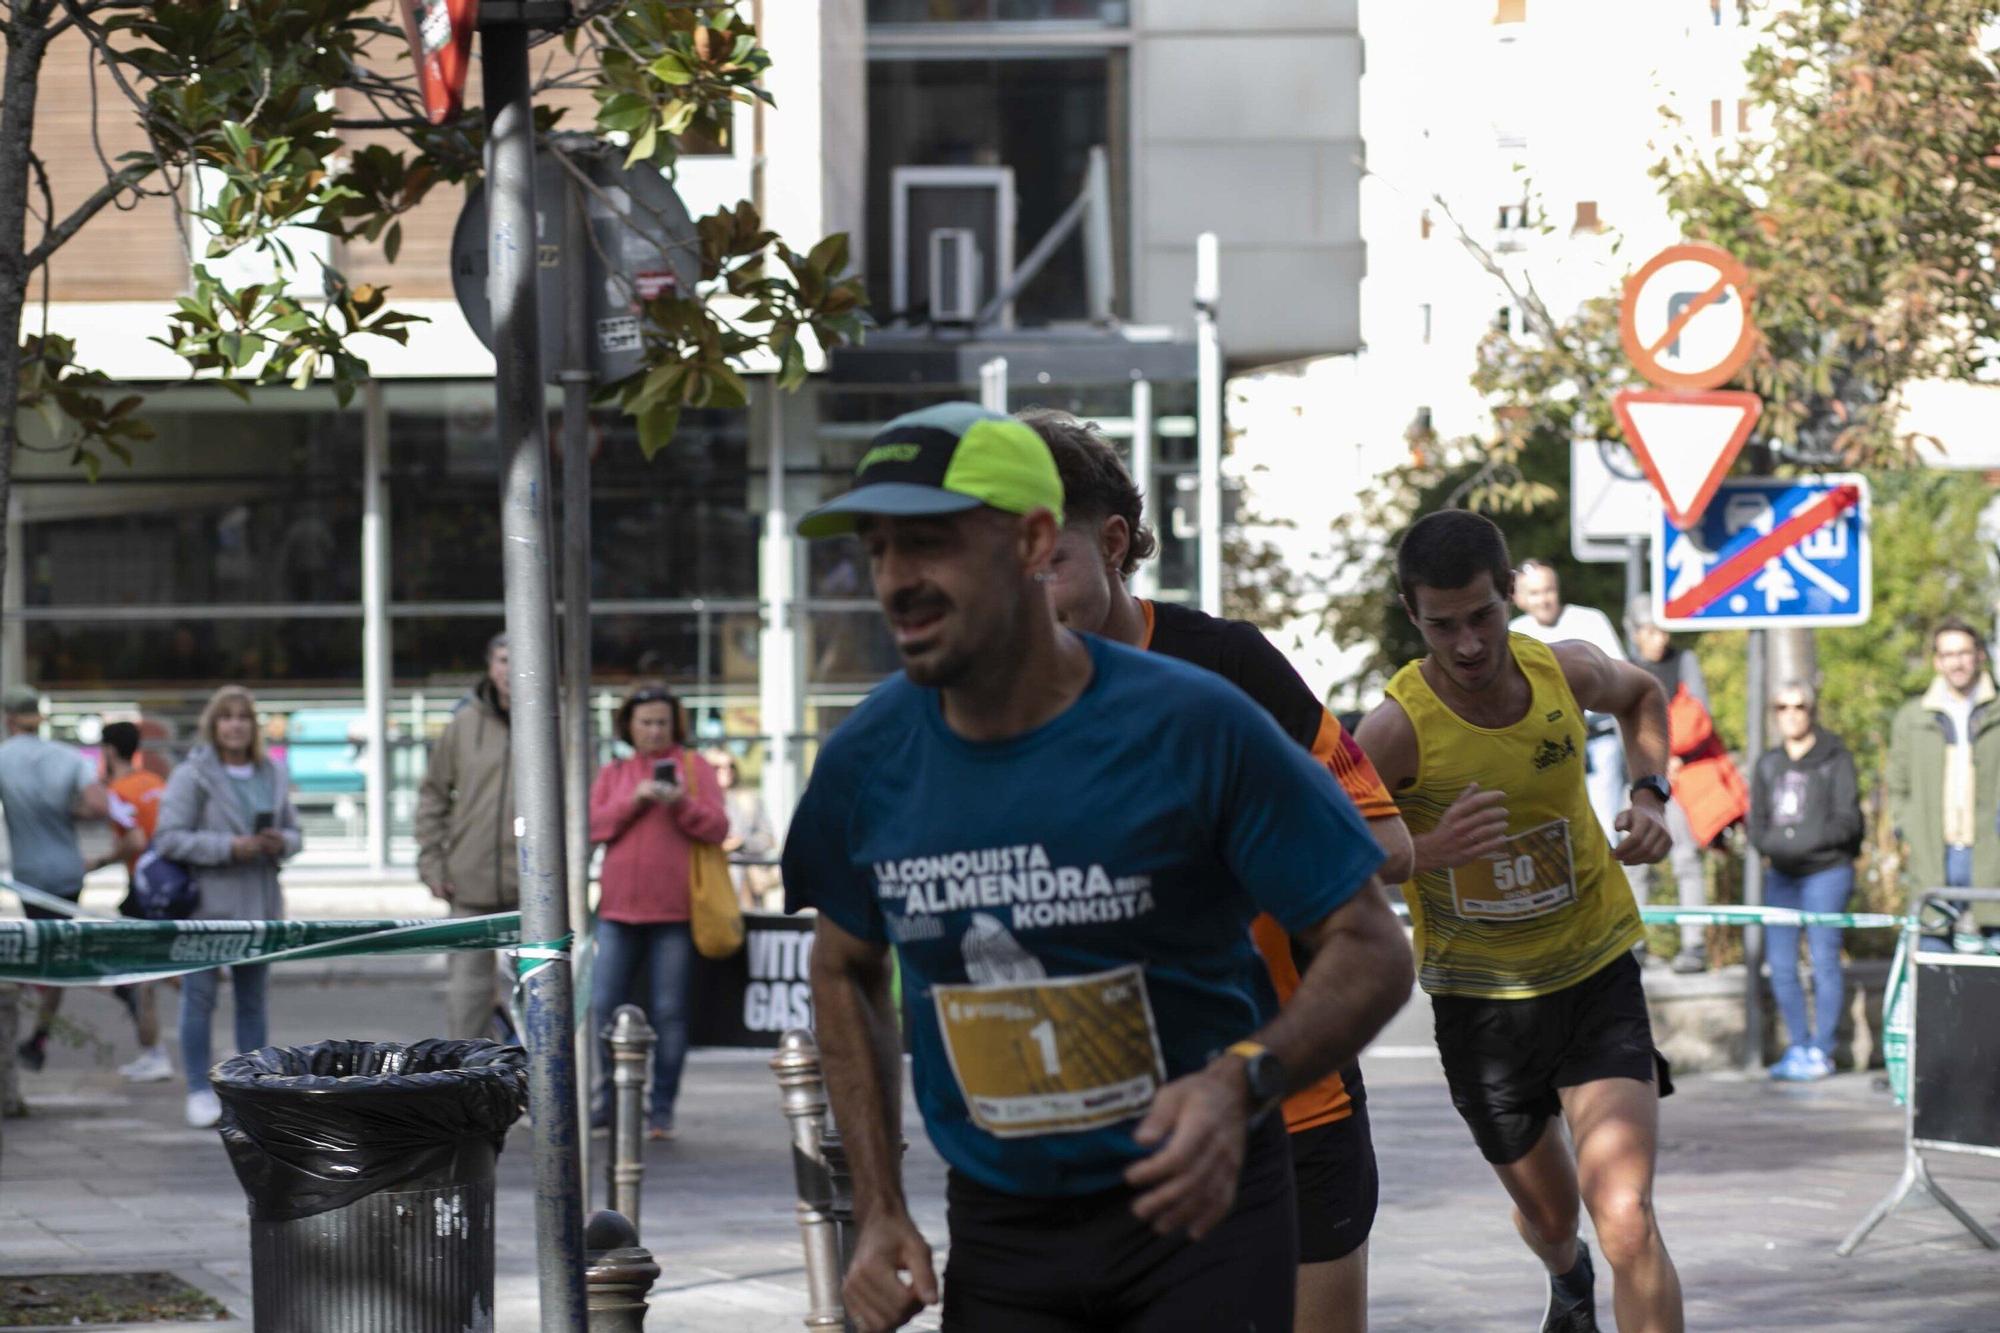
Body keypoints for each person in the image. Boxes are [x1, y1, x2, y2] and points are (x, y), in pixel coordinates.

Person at [782, 404, 1413, 1333]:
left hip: (1200, 1211)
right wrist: (878, 1206)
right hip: (1002, 1224)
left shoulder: (1196, 721)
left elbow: (1372, 944)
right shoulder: (866, 759)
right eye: (878, 550)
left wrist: (1239, 1080)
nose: (896, 581)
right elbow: (842, 966)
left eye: (930, 543)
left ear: (1033, 541)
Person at [1027, 407, 1412, 1333]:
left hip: (1289, 1097)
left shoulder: (1226, 664)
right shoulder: (1002, 694)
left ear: (1112, 543)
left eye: (1048, 565)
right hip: (1106, 1130)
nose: (1026, 598)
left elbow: (1387, 845)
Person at [1354, 510, 1681, 1333]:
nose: (1468, 644)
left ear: (1509, 592)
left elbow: (1643, 693)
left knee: (1626, 1215)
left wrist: (1650, 795)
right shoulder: (1395, 730)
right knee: (1553, 1216)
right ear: (1412, 612)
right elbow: (1325, 843)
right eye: (1443, 625)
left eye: (1483, 616)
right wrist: (1426, 849)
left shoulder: (1564, 670)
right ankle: (1566, 1273)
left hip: (1594, 971)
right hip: (1482, 1007)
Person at [154, 685, 301, 1129]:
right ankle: (199, 1089)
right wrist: (229, 847)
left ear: (254, 726)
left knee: (253, 1000)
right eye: (226, 716)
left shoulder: (272, 772)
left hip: (260, 903)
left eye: (243, 717)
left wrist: (279, 842)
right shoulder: (193, 775)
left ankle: (250, 1091)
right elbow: (168, 838)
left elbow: (295, 832)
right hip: (207, 906)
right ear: (213, 724)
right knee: (198, 998)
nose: (235, 725)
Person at [588, 684, 729, 1140]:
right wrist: (635, 799)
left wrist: (679, 802)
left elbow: (718, 827)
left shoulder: (696, 768)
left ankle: (661, 1109)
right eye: (645, 722)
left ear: (675, 726)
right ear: (629, 726)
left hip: (676, 914)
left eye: (662, 723)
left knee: (670, 1013)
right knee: (603, 1007)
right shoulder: (614, 771)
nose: (653, 731)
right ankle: (610, 1102)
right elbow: (592, 827)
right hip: (616, 913)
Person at [1623, 597, 1746, 974]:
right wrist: (1651, 763)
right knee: (1634, 859)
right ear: (1635, 633)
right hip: (1640, 776)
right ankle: (1635, 943)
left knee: (1686, 858)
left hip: (1682, 777)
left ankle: (1693, 944)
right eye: (1649, 631)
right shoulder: (1626, 668)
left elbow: (1700, 719)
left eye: (1662, 630)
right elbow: (1621, 724)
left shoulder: (1684, 662)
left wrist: (1672, 756)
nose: (1658, 639)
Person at [1748, 681, 1861, 1082]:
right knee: (1781, 965)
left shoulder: (1835, 757)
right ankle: (1798, 1046)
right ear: (1774, 714)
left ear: (1811, 711)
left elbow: (1849, 821)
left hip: (1826, 872)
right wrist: (1774, 844)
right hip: (1781, 876)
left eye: (1799, 706)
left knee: (1823, 959)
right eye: (1783, 707)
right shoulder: (1768, 764)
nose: (1792, 714)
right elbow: (1756, 822)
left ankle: (1822, 1050)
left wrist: (1805, 841)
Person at [0, 684, 109, 1077]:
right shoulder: (68, 757)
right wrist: (69, 811)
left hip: (29, 875)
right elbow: (99, 805)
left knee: (37, 950)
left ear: (9, 719)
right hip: (67, 872)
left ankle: (24, 1029)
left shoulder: (3, 757)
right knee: (58, 952)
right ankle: (40, 1037)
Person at [415, 633, 520, 1039]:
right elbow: (433, 796)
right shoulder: (463, 725)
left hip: (536, 886)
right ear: (491, 666)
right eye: (503, 659)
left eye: (519, 658)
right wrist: (432, 863)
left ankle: (540, 1077)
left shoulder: (555, 723)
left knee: (544, 998)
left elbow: (582, 803)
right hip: (470, 882)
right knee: (467, 1000)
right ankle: (469, 1075)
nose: (510, 669)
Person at [1886, 618, 2000, 953]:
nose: (1957, 662)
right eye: (1948, 654)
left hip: (1991, 853)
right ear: (1937, 661)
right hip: (1934, 853)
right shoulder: (1913, 717)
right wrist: (1908, 827)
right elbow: (1897, 784)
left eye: (1964, 653)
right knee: (1932, 954)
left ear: (1979, 655)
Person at [1512, 560, 1628, 840]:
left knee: (1604, 824)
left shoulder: (1589, 621)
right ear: (1520, 598)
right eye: (1534, 593)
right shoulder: (1514, 632)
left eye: (1548, 590)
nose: (1543, 599)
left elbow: (1621, 675)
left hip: (1597, 739)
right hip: (1545, 746)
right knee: (1554, 828)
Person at [91, 720, 173, 1082]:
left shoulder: (118, 791)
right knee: (146, 970)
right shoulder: (155, 782)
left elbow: (136, 840)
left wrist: (98, 862)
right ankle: (152, 1051)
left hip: (143, 887)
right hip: (167, 884)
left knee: (138, 973)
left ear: (109, 751)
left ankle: (155, 1054)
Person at [704, 747, 778, 911]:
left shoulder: (749, 799)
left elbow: (768, 839)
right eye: (718, 767)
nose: (726, 771)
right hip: (710, 881)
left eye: (730, 766)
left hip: (746, 886)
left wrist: (741, 843)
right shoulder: (698, 801)